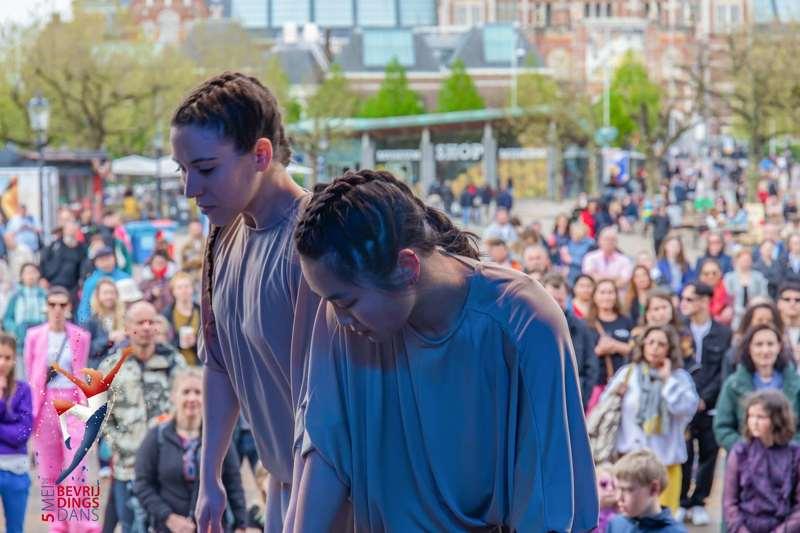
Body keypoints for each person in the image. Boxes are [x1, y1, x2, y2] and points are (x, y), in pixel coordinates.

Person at [286, 170, 597, 531]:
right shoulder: (342, 321)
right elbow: (324, 455)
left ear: (406, 267)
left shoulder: (524, 320)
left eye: (347, 302)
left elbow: (548, 503)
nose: (340, 317)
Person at [171, 72, 321, 533]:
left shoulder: (315, 240)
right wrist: (210, 476)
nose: (190, 189)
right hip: (284, 484)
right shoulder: (221, 234)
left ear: (261, 155)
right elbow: (219, 362)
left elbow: (328, 403)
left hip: (337, 492)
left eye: (205, 169)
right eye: (182, 170)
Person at [99, 300, 188, 533]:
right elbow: (99, 418)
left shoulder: (173, 363)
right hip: (128, 468)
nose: (147, 327)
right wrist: (120, 445)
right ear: (127, 328)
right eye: (140, 322)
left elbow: (186, 409)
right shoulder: (110, 368)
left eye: (151, 322)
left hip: (166, 470)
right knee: (131, 527)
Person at [134, 368, 248, 533]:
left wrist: (241, 525)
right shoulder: (156, 437)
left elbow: (234, 484)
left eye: (198, 392)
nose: (192, 398)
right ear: (174, 396)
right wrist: (169, 518)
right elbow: (142, 485)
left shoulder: (220, 439)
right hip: (168, 529)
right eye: (186, 392)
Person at [24, 286, 99, 533]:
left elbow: (81, 371)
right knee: (48, 466)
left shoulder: (80, 336)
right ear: (46, 307)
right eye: (52, 304)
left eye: (62, 305)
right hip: (44, 402)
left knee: (76, 465)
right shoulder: (34, 335)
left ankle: (81, 520)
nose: (57, 309)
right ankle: (56, 522)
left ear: (68, 308)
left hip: (72, 402)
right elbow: (31, 372)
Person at [602, 325, 699, 513]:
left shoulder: (680, 378)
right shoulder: (628, 374)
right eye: (651, 342)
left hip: (664, 467)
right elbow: (606, 405)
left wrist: (667, 381)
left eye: (661, 344)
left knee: (660, 520)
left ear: (670, 349)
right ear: (643, 346)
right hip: (629, 463)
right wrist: (616, 394)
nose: (655, 348)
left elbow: (686, 409)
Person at [677, 281, 731, 526]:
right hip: (683, 404)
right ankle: (682, 501)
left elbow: (723, 371)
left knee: (709, 453)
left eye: (690, 299)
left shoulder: (723, 333)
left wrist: (705, 398)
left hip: (710, 405)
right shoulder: (680, 330)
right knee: (684, 453)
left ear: (704, 301)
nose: (684, 304)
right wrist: (689, 398)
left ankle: (700, 501)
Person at [722, 390, 800, 533]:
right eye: (751, 416)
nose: (754, 422)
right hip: (745, 527)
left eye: (761, 417)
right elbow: (730, 503)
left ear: (777, 419)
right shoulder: (740, 452)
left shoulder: (795, 454)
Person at [713, 323, 800, 452]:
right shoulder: (733, 384)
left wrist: (788, 448)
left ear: (779, 347)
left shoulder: (796, 383)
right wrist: (746, 449)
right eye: (759, 344)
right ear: (749, 348)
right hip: (746, 459)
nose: (765, 350)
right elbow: (722, 427)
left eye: (770, 344)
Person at [542, 272, 599, 409]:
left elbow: (591, 367)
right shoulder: (530, 326)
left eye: (560, 300)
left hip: (572, 400)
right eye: (551, 299)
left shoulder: (580, 327)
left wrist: (581, 398)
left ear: (567, 298)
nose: (555, 304)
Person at [607, 449, 688, 533]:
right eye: (617, 488)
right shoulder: (615, 524)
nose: (618, 498)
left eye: (628, 490)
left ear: (653, 489)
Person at [0, 333, 32, 533]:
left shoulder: (23, 390)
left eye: (7, 357)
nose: (2, 362)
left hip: (16, 470)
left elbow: (22, 434)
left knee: (15, 528)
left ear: (14, 360)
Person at [588, 278, 634, 390]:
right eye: (602, 292)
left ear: (616, 296)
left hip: (624, 383)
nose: (607, 297)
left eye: (610, 292)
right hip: (596, 384)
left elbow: (636, 350)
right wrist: (599, 350)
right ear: (594, 296)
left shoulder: (626, 320)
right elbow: (581, 358)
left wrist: (615, 345)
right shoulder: (587, 324)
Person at [3, 263, 47, 362]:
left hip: (40, 336)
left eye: (33, 272)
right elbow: (7, 318)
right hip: (21, 339)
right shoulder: (15, 296)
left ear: (38, 275)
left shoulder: (44, 295)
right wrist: (15, 329)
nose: (31, 276)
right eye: (27, 273)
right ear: (21, 276)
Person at [77, 246, 131, 324]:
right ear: (96, 263)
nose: (106, 263)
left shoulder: (125, 278)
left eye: (108, 258)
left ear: (114, 259)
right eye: (102, 260)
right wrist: (85, 325)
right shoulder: (91, 282)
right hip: (99, 321)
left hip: (123, 321)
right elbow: (84, 307)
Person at [39, 221, 87, 302]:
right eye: (69, 229)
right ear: (64, 231)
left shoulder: (82, 248)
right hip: (51, 284)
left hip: (72, 287)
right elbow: (43, 262)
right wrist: (42, 278)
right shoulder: (53, 246)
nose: (71, 232)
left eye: (73, 230)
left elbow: (83, 269)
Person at [84, 278, 126, 369]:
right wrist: (108, 338)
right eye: (105, 293)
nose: (109, 296)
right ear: (98, 296)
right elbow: (88, 350)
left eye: (112, 293)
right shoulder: (91, 321)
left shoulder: (124, 317)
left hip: (121, 367)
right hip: (99, 368)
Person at [724, 247, 769, 330]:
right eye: (743, 259)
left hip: (755, 314)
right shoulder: (729, 277)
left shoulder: (758, 276)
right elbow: (727, 296)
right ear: (737, 260)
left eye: (748, 260)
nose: (746, 262)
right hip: (735, 317)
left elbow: (764, 295)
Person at [163, 271, 201, 366]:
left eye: (187, 286)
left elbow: (210, 341)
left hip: (199, 364)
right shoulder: (167, 314)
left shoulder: (201, 312)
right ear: (173, 291)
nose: (184, 290)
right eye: (179, 287)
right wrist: (179, 342)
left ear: (192, 289)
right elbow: (163, 343)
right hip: (176, 365)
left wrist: (196, 342)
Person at [139, 250, 178, 314]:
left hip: (169, 315)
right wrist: (151, 294)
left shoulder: (173, 280)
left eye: (162, 263)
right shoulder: (145, 282)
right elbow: (140, 301)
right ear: (151, 264)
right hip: (150, 315)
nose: (159, 265)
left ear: (166, 264)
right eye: (157, 262)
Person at [697, 258, 733, 326]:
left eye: (714, 273)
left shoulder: (728, 288)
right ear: (700, 276)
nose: (711, 276)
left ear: (720, 273)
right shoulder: (695, 292)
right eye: (706, 274)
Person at [561, 221, 595, 285]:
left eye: (574, 232)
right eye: (571, 232)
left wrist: (572, 260)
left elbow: (588, 262)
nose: (571, 234)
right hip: (569, 274)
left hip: (582, 274)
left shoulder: (590, 244)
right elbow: (565, 259)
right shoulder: (569, 242)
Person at [779, 281, 800, 366]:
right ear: (779, 303)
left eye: (797, 300)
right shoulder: (772, 330)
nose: (792, 303)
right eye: (787, 299)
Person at [595, 463, 619, 533]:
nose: (610, 488)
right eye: (603, 484)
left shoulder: (624, 516)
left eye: (614, 485)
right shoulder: (585, 517)